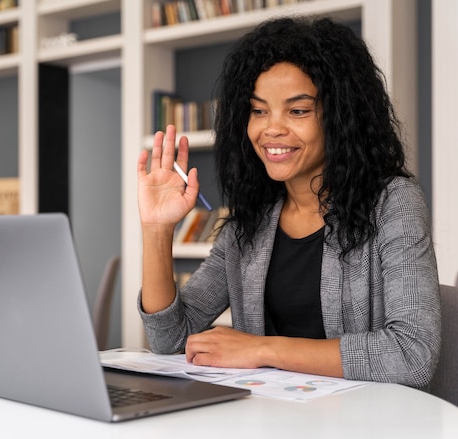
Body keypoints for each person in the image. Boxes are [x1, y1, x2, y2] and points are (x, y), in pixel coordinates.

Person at [136, 16, 440, 389]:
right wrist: (157, 230)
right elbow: (169, 338)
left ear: (340, 117)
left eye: (297, 111)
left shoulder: (393, 203)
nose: (272, 129)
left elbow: (412, 355)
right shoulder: (251, 221)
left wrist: (263, 350)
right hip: (274, 419)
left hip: (366, 420)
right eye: (258, 110)